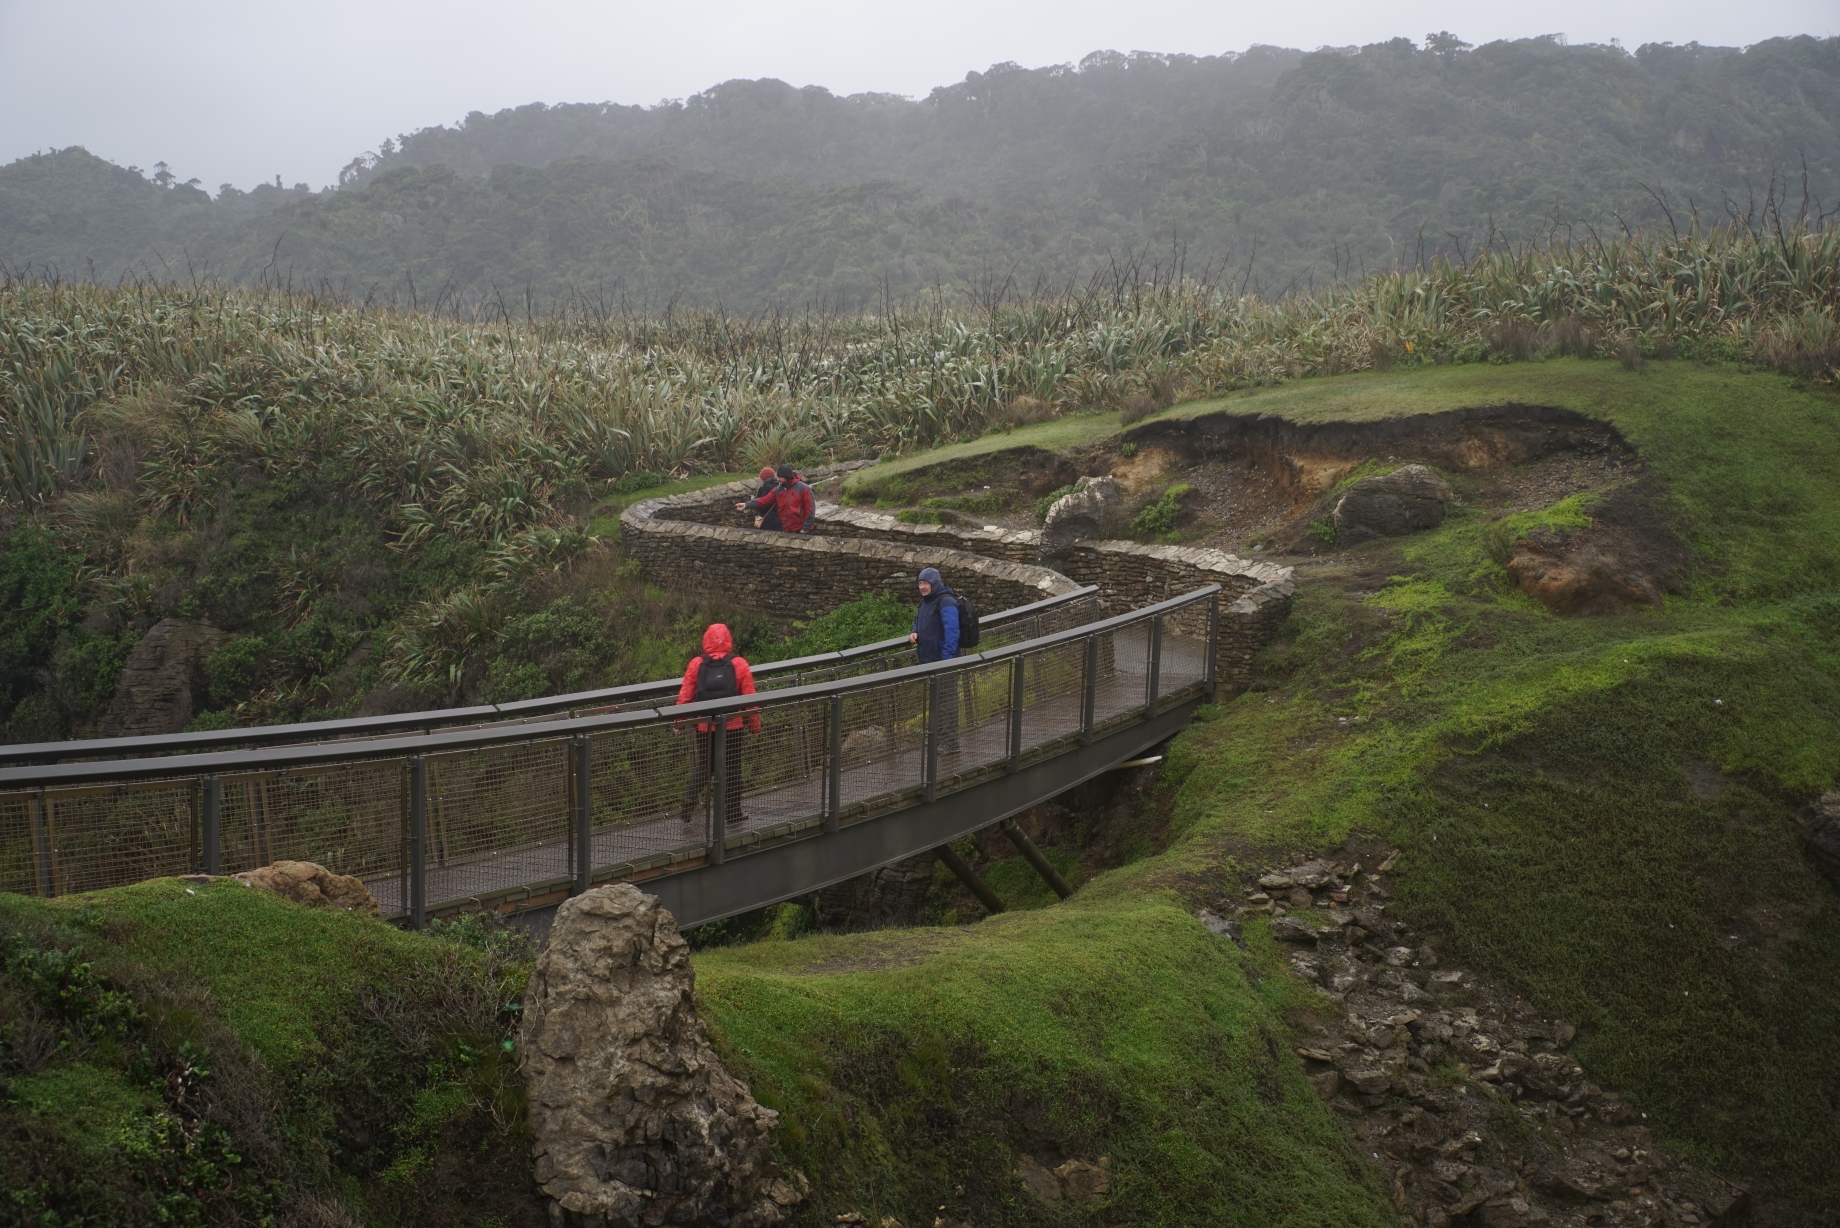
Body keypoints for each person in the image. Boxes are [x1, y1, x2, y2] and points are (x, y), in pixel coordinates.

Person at [675, 623, 760, 829]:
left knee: (705, 765)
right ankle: (732, 813)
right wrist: (754, 725)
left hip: (704, 725)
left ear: (706, 640)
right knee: (732, 768)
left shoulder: (696, 664)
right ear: (729, 640)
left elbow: (686, 695)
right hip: (733, 725)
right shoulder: (739, 664)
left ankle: (689, 798)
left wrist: (678, 722)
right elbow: (750, 698)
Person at [908, 566, 961, 751]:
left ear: (934, 583)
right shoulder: (925, 602)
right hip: (929, 661)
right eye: (920, 583)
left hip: (943, 662)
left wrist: (946, 661)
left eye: (926, 583)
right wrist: (914, 631)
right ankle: (939, 741)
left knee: (947, 704)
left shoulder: (946, 602)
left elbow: (952, 633)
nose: (922, 587)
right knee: (937, 703)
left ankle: (950, 743)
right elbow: (919, 621)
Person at [741, 464, 815, 533]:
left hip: (802, 530)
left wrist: (805, 527)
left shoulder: (803, 488)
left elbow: (810, 508)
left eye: (780, 477)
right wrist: (747, 504)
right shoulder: (778, 490)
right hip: (787, 530)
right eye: (778, 476)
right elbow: (764, 500)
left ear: (787, 477)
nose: (778, 479)